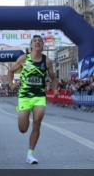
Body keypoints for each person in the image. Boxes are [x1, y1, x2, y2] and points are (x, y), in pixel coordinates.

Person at [5, 35, 58, 165]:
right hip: (24, 96)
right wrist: (11, 84)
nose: (37, 42)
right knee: (23, 129)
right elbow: (11, 71)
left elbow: (54, 78)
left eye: (40, 41)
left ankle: (30, 154)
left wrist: (55, 89)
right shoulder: (24, 59)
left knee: (37, 122)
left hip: (39, 96)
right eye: (35, 41)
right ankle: (24, 114)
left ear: (43, 46)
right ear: (31, 46)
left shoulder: (47, 62)